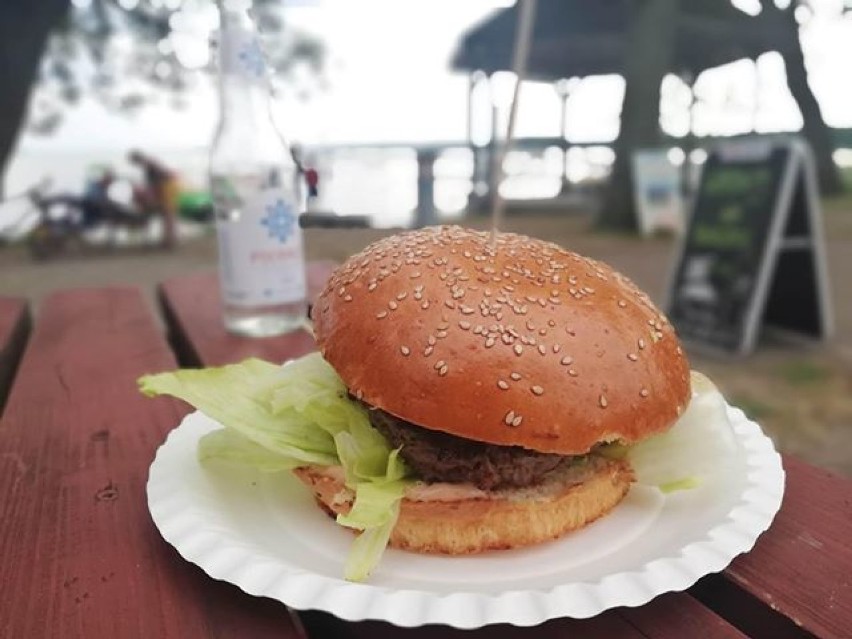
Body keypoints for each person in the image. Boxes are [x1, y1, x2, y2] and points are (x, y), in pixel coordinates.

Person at [128, 150, 179, 248]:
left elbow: (154, 182)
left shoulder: (148, 164)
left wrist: (151, 197)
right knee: (168, 215)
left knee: (168, 214)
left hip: (166, 187)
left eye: (133, 162)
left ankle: (169, 242)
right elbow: (154, 181)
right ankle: (169, 240)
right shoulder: (150, 161)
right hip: (169, 185)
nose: (134, 165)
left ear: (137, 159)